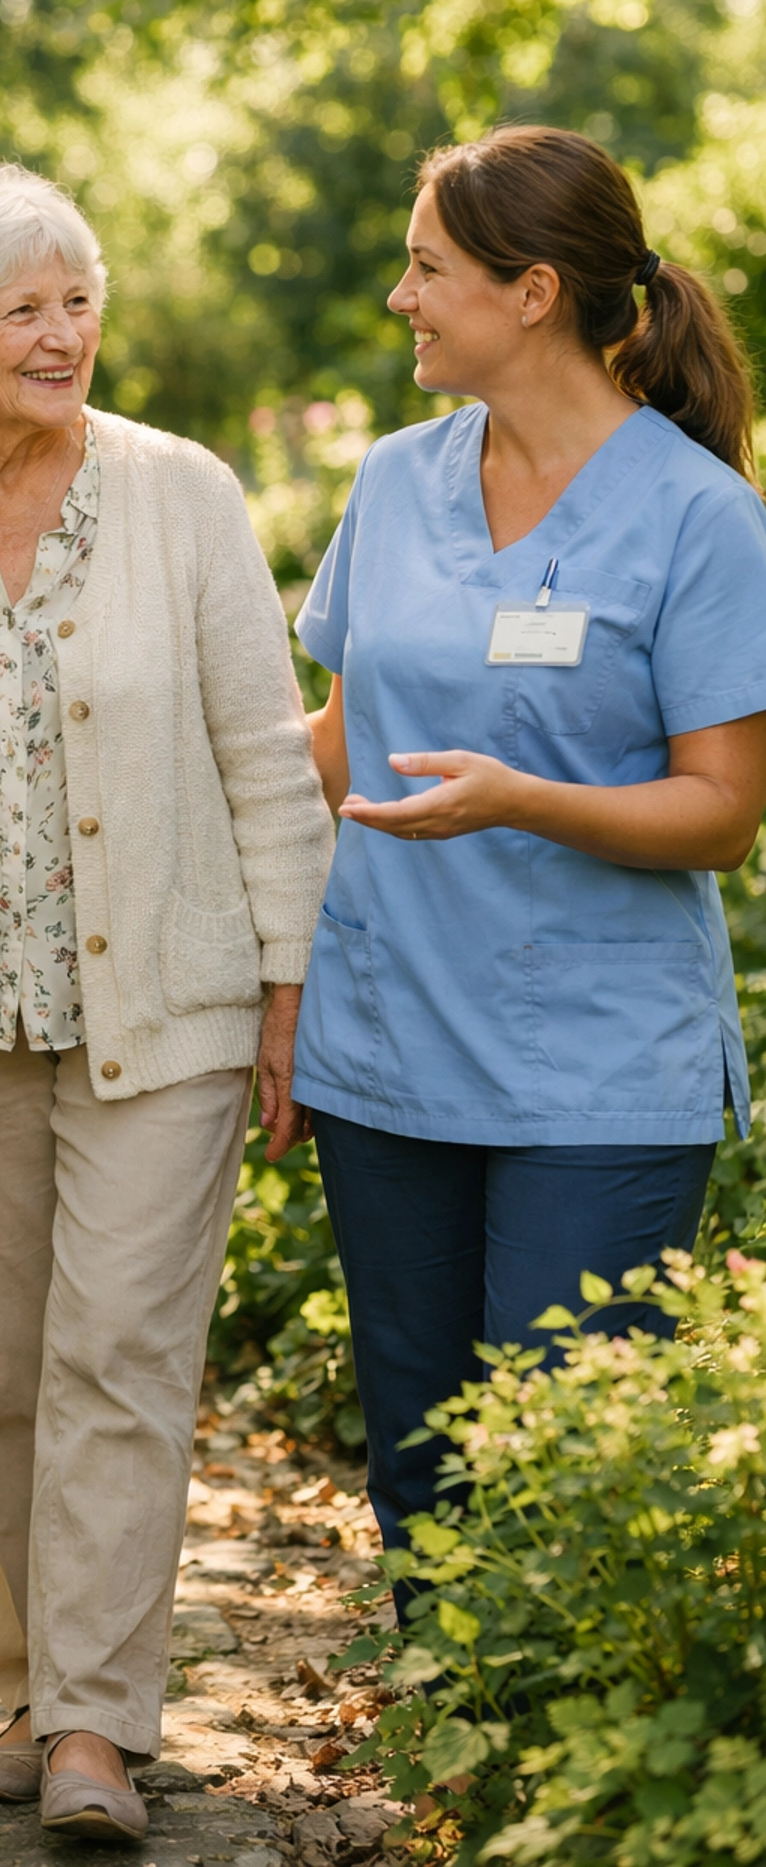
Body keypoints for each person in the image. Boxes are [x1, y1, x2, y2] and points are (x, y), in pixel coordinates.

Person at [0, 164, 332, 1841]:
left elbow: (265, 755)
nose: (65, 333)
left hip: (164, 1004)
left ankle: (99, 1728)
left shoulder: (182, 494)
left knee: (121, 1351)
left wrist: (286, 981)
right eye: (23, 308)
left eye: (78, 299)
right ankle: (31, 1685)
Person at [291, 124, 766, 1574]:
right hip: (390, 1048)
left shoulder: (700, 517)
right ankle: (448, 1759)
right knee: (424, 1454)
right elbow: (333, 741)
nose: (400, 297)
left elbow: (727, 812)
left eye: (428, 267)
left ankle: (540, 1790)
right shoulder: (393, 480)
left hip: (599, 1076)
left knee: (561, 1457)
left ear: (534, 290)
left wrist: (524, 798)